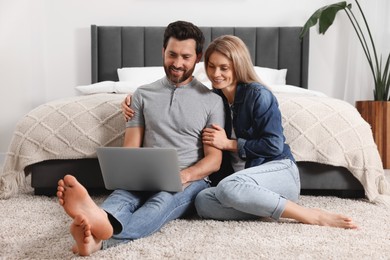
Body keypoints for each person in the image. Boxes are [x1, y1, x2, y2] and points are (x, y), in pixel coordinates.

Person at [123, 35, 358, 229]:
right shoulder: (213, 98)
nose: (216, 74)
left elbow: (274, 145)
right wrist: (132, 102)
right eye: (212, 67)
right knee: (203, 202)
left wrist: (229, 144)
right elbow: (183, 102)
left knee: (227, 188)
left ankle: (309, 215)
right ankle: (265, 205)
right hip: (241, 182)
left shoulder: (259, 95)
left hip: (276, 170)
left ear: (238, 65)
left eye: (224, 68)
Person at [57, 20, 225, 256]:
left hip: (190, 178)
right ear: (163, 52)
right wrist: (129, 176)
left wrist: (182, 176)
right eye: (172, 54)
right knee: (123, 196)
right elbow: (131, 148)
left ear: (197, 57)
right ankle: (100, 220)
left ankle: (101, 237)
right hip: (145, 174)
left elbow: (214, 161)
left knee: (161, 203)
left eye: (186, 57)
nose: (177, 63)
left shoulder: (213, 101)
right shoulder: (142, 95)